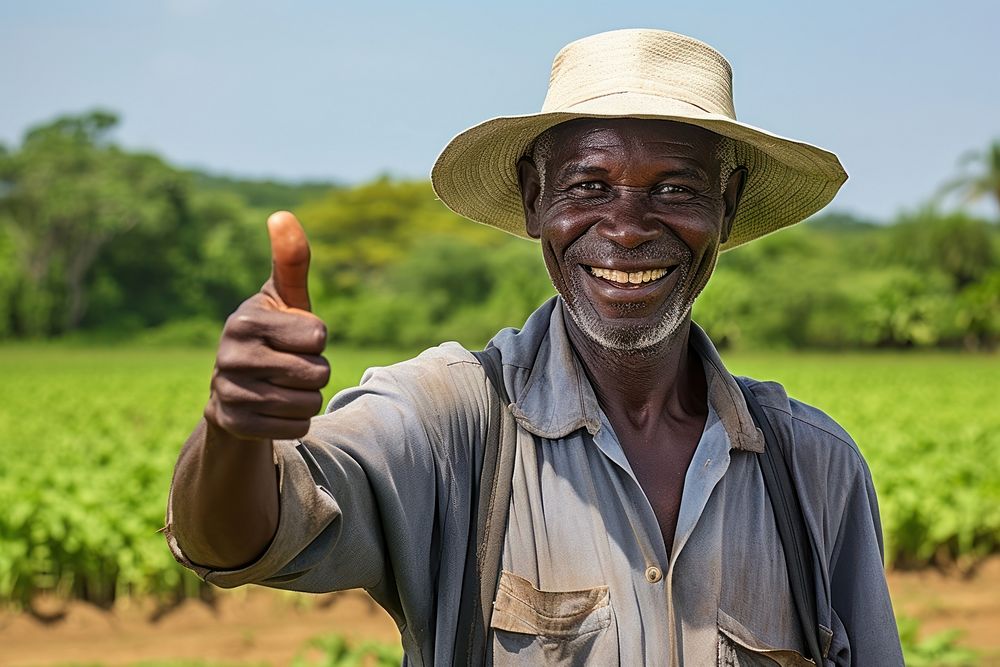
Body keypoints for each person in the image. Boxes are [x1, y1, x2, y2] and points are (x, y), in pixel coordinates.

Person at [165, 29, 904, 665]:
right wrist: (231, 429)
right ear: (533, 199)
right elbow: (235, 540)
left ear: (728, 204)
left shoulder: (813, 468)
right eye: (588, 185)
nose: (626, 228)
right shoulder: (450, 422)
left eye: (675, 189)